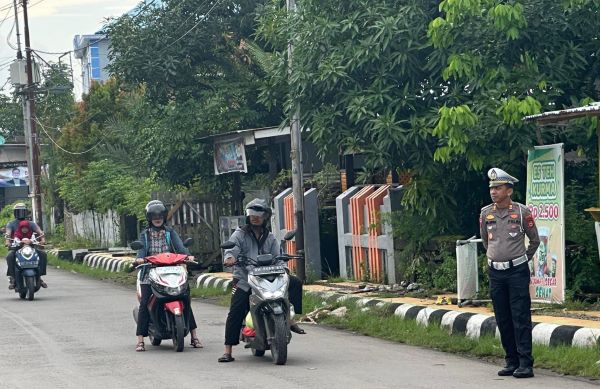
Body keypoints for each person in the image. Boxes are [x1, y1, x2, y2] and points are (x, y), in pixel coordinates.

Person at [218, 198, 305, 363]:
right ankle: (227, 350)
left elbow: (278, 256)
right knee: (236, 309)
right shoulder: (240, 234)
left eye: (259, 215)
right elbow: (232, 249)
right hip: (245, 278)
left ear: (265, 217)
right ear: (247, 216)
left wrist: (283, 267)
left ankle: (291, 318)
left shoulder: (270, 237)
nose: (255, 217)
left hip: (268, 276)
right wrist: (230, 258)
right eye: (252, 214)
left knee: (295, 283)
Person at [480, 168, 540, 379]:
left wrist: (521, 259)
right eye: (492, 188)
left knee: (520, 316)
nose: (493, 192)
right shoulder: (485, 213)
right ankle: (511, 360)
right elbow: (486, 241)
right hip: (496, 273)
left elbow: (535, 240)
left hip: (517, 271)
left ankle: (525, 362)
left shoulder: (522, 212)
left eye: (498, 188)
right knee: (503, 317)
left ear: (509, 190)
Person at [133, 200, 202, 352]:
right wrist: (139, 259)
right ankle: (140, 340)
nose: (157, 218)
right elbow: (142, 252)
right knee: (144, 303)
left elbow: (181, 248)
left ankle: (194, 336)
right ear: (149, 218)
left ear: (164, 216)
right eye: (153, 215)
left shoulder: (170, 232)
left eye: (160, 215)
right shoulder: (145, 235)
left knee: (185, 298)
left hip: (172, 271)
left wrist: (188, 256)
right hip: (150, 272)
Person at [5, 203, 47, 289]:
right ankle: (13, 278)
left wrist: (42, 239)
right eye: (18, 211)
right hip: (16, 247)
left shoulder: (31, 223)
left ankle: (39, 276)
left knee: (43, 254)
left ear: (26, 212)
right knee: (9, 256)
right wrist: (8, 241)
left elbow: (40, 231)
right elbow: (8, 234)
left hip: (31, 246)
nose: (20, 213)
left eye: (22, 211)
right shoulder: (11, 224)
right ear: (15, 212)